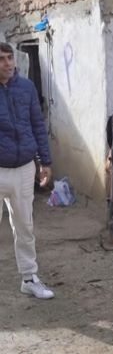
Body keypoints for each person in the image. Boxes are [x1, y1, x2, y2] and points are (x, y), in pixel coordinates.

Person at [0, 42, 54, 299]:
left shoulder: (26, 88)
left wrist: (45, 162)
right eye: (1, 59)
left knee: (25, 226)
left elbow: (37, 124)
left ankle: (29, 278)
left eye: (10, 58)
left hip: (24, 169)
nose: (8, 64)